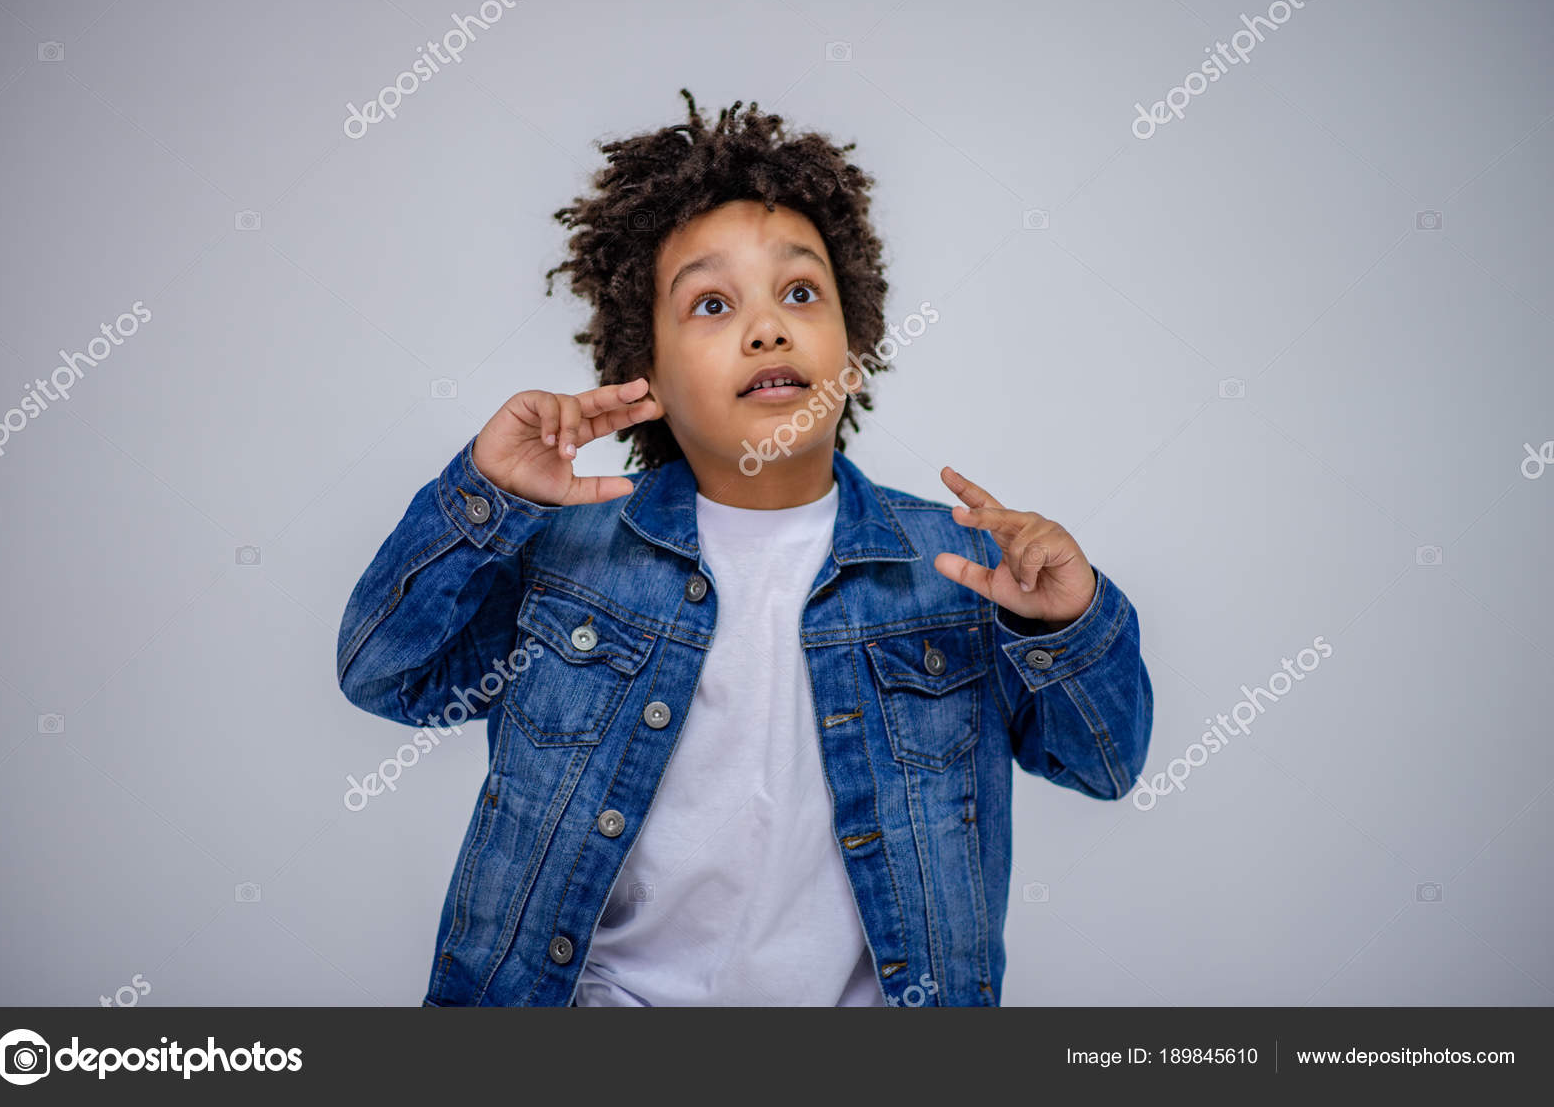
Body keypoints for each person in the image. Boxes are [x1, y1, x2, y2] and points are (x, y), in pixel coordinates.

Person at [335, 89, 1153, 1007]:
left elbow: (1105, 763)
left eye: (800, 293)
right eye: (713, 304)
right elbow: (386, 675)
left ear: (855, 339)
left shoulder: (957, 569)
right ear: (644, 370)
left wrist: (1069, 623)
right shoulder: (567, 554)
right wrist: (484, 498)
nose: (768, 326)